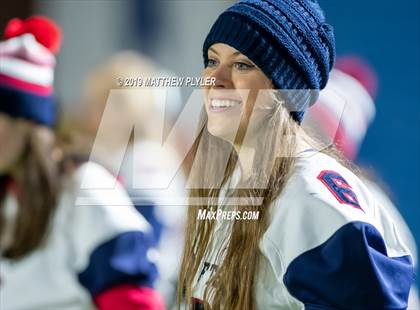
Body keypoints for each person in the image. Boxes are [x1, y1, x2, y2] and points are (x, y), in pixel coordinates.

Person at [176, 1, 415, 309]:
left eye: (242, 65)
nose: (214, 79)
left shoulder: (308, 197)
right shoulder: (237, 183)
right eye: (211, 61)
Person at [0, 16, 164, 309]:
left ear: (26, 121)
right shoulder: (9, 194)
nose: (91, 113)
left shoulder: (86, 188)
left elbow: (134, 300)